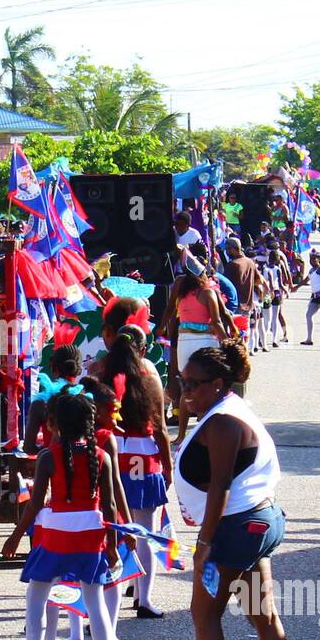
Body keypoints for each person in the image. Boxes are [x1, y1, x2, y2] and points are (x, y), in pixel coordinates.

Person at [170, 340, 290, 640]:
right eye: (181, 382)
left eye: (193, 384)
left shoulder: (222, 422)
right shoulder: (228, 410)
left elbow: (220, 486)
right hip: (255, 526)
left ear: (219, 384)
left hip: (236, 529)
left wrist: (204, 546)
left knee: (205, 615)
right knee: (261, 613)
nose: (184, 392)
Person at [0, 392, 123, 640]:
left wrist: (15, 536)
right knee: (95, 602)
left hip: (56, 537)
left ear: (53, 424)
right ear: (90, 424)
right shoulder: (101, 457)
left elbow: (35, 504)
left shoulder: (47, 458)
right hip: (90, 538)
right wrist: (113, 545)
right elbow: (111, 506)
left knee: (36, 599)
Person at [98, 322, 172, 619]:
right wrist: (168, 466)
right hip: (145, 456)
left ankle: (103, 601)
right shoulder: (150, 375)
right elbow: (162, 428)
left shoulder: (99, 372)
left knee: (111, 534)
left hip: (111, 453)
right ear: (143, 349)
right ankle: (144, 599)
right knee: (146, 534)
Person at [165, 272, 235, 444]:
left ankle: (181, 436)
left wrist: (161, 329)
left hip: (184, 341)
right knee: (209, 388)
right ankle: (205, 434)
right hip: (205, 340)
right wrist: (227, 342)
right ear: (202, 277)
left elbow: (170, 312)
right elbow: (216, 322)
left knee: (186, 388)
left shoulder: (181, 293)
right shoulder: (208, 293)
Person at [222, 238, 260, 356]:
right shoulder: (249, 262)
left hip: (234, 307)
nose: (227, 252)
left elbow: (223, 285)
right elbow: (258, 280)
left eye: (228, 249)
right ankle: (244, 365)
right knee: (243, 339)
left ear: (233, 249)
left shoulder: (232, 265)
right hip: (247, 307)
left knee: (233, 341)